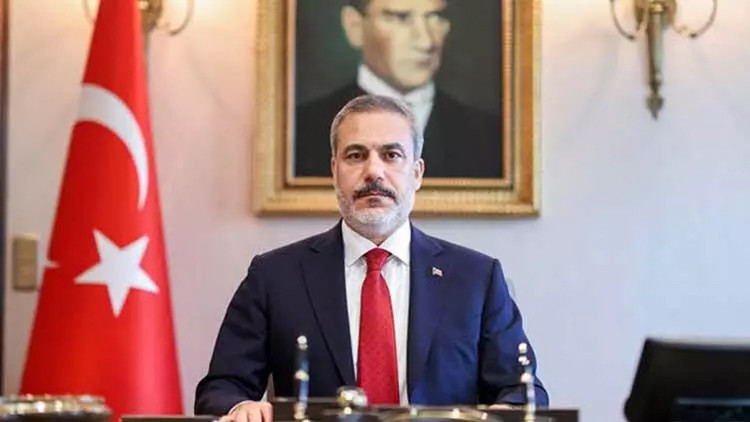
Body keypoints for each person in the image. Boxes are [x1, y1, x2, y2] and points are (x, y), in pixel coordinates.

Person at [195, 95, 547, 421]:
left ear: (417, 173)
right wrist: (242, 408)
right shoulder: (275, 277)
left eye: (391, 155)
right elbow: (221, 388)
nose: (373, 172)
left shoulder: (476, 278)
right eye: (355, 155)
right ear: (334, 170)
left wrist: (504, 414)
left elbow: (522, 391)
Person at [294, 0, 502, 180]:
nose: (426, 41)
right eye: (401, 18)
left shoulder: (491, 136)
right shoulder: (300, 132)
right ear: (354, 26)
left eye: (435, 17)